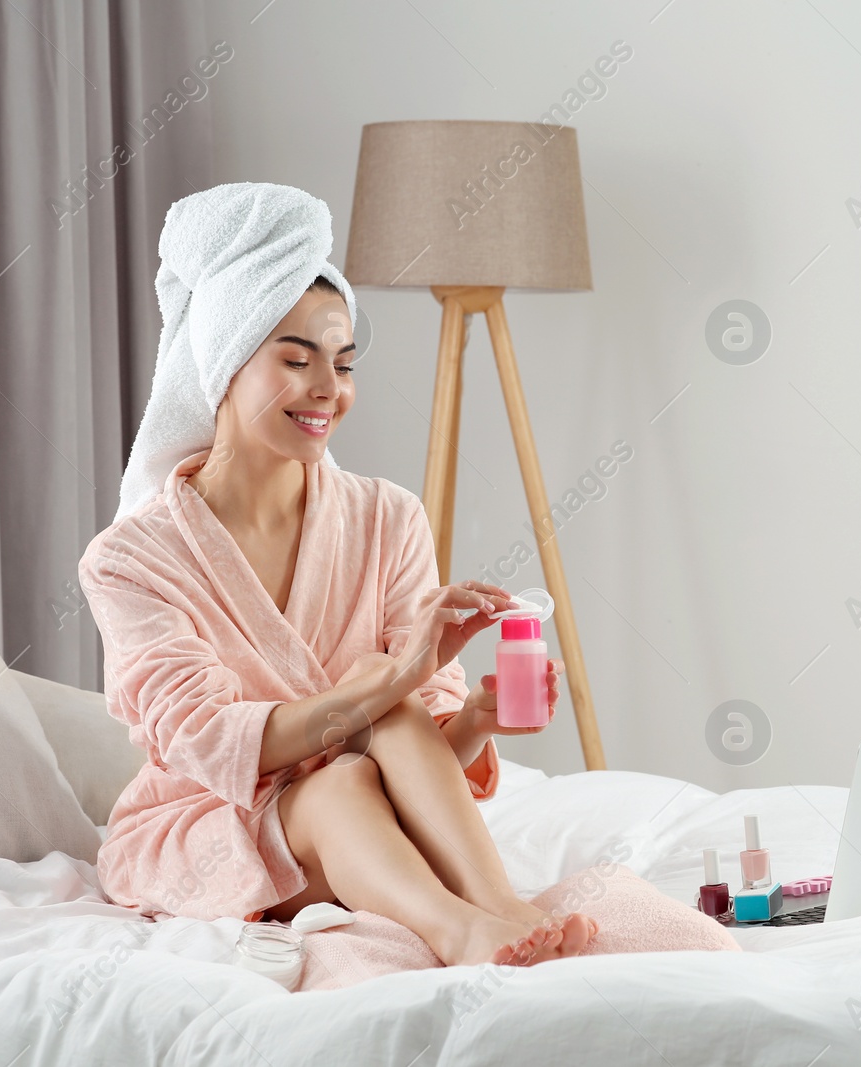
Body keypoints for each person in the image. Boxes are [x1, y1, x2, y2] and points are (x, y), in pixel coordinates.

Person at [79, 182, 596, 967]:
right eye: (297, 359)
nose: (330, 388)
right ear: (224, 365)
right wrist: (398, 673)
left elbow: (417, 755)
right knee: (351, 759)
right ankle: (461, 933)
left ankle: (501, 907)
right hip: (218, 827)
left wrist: (478, 718)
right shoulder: (132, 559)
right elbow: (213, 741)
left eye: (344, 363)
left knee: (385, 721)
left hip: (363, 820)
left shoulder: (388, 517)